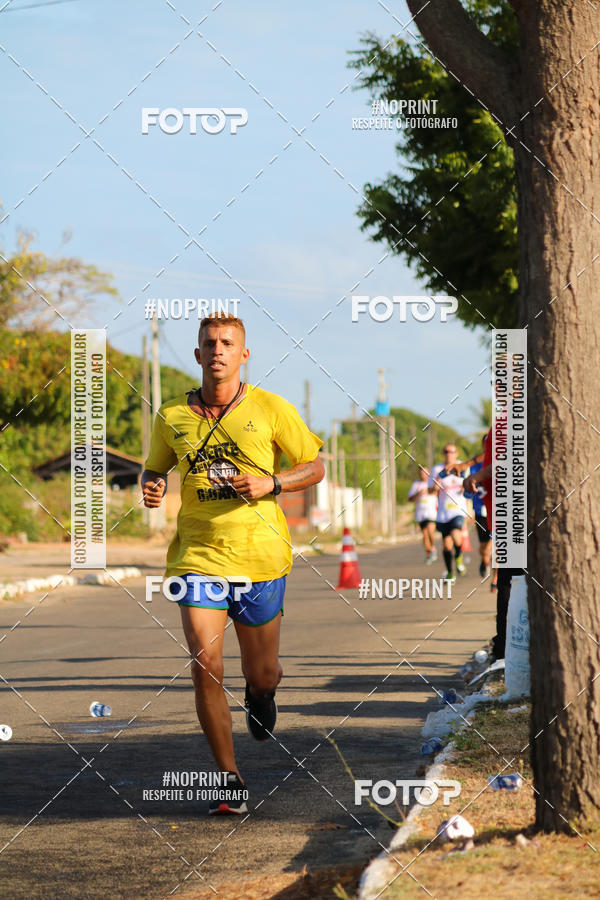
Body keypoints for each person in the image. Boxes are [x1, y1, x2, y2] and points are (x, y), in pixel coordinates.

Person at [141, 314, 324, 815]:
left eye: (228, 344)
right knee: (206, 662)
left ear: (244, 355)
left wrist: (274, 484)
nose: (217, 351)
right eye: (209, 344)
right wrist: (152, 484)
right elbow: (156, 465)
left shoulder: (271, 408)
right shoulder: (173, 414)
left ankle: (261, 696)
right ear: (197, 356)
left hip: (262, 558)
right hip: (197, 558)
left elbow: (315, 465)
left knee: (262, 672)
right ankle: (228, 781)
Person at [463, 422, 521, 660]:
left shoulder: (519, 414)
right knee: (508, 578)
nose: (498, 387)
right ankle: (504, 647)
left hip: (514, 512)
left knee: (510, 579)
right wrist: (468, 465)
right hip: (502, 513)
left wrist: (477, 474)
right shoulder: (505, 417)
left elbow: (511, 457)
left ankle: (506, 650)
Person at [428, 444, 468, 583]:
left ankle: (458, 557)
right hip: (443, 513)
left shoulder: (462, 466)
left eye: (451, 452)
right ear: (443, 454)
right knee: (446, 545)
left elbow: (469, 487)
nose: (448, 454)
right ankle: (450, 572)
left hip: (458, 510)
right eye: (446, 452)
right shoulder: (437, 469)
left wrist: (466, 489)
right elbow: (429, 491)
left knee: (457, 536)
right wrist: (435, 485)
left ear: (456, 453)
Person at [464, 435, 493, 580]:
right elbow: (467, 493)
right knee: (483, 548)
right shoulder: (473, 468)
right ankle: (485, 560)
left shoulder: (498, 462)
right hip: (480, 511)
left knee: (494, 547)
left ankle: (495, 581)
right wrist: (467, 512)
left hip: (496, 511)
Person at [408, 466, 438, 564]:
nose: (423, 475)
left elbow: (439, 493)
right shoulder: (416, 485)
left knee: (430, 531)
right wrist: (418, 493)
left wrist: (433, 491)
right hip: (420, 514)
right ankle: (429, 553)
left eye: (425, 472)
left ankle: (433, 547)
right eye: (421, 473)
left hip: (431, 513)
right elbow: (410, 499)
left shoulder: (432, 483)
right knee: (425, 535)